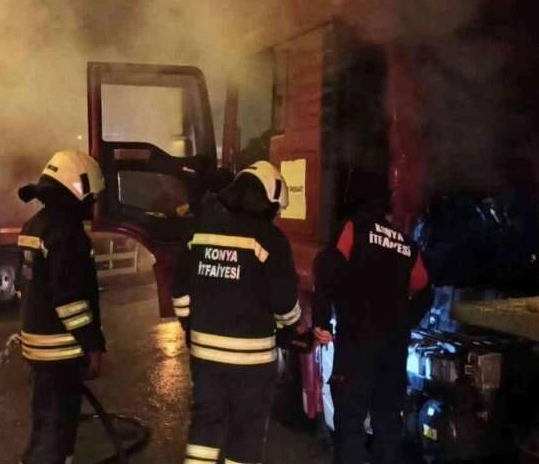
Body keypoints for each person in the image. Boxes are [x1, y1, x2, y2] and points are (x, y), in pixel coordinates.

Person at [173, 160, 301, 464]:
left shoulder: (199, 229)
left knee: (204, 429)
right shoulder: (270, 239)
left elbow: (179, 290)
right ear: (268, 201)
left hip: (205, 357)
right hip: (252, 361)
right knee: (246, 433)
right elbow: (284, 302)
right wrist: (292, 326)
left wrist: (191, 327)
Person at [312, 169, 433, 464]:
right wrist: (405, 321)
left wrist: (322, 320)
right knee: (387, 422)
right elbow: (425, 290)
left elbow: (327, 270)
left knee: (350, 423)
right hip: (393, 349)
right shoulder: (407, 244)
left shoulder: (353, 229)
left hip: (356, 344)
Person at [16, 150, 106, 464]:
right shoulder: (68, 235)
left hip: (37, 342)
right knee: (57, 428)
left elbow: (23, 285)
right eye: (92, 197)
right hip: (61, 348)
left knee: (46, 420)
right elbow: (70, 301)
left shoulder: (33, 225)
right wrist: (92, 345)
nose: (94, 204)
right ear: (79, 190)